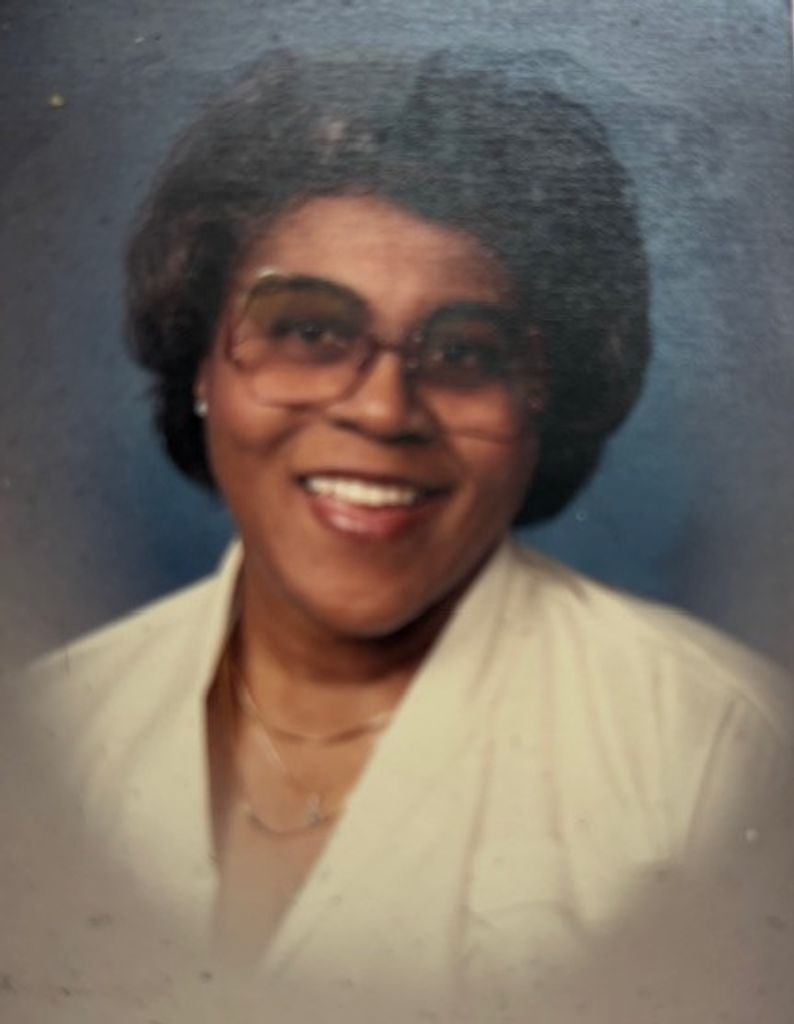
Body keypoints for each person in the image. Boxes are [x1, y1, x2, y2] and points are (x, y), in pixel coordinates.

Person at [21, 48, 793, 1020]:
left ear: (544, 402)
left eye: (465, 351)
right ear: (200, 361)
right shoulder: (52, 726)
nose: (385, 410)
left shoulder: (717, 751)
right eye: (308, 331)